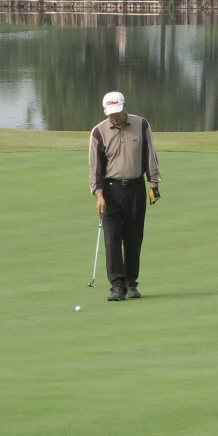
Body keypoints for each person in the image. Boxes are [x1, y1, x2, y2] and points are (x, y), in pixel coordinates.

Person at [89, 90, 162, 301]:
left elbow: (150, 155)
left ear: (125, 107)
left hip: (135, 188)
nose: (114, 117)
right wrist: (98, 194)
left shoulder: (142, 124)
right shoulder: (98, 132)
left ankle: (131, 284)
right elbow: (95, 168)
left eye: (117, 113)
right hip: (110, 191)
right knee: (112, 239)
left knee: (133, 237)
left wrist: (154, 184)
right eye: (110, 114)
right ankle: (117, 286)